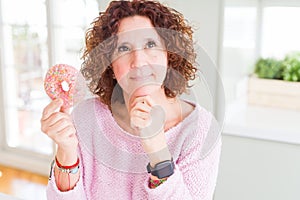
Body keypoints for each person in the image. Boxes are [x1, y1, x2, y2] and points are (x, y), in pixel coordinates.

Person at [40, 0, 222, 199]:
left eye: (150, 44)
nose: (139, 62)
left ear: (169, 54)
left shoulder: (200, 131)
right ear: (110, 63)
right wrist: (66, 152)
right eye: (124, 48)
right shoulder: (86, 117)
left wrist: (158, 152)